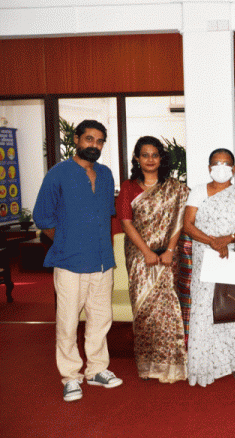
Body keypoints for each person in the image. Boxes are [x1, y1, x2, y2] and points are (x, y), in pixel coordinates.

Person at [33, 119, 123, 402]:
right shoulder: (58, 173)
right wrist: (65, 241)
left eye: (99, 141)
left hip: (102, 261)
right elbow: (43, 217)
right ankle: (71, 376)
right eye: (89, 139)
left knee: (101, 319)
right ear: (76, 139)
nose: (94, 145)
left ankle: (97, 369)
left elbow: (106, 215)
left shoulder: (106, 174)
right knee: (68, 321)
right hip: (70, 262)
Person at [182, 148, 235, 387]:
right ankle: (202, 364)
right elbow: (188, 225)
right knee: (204, 309)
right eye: (217, 163)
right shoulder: (198, 192)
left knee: (232, 307)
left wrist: (228, 239)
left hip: (232, 256)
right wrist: (213, 241)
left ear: (233, 169)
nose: (221, 168)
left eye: (226, 164)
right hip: (205, 256)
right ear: (209, 168)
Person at [117, 136, 189, 383]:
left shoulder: (175, 188)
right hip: (139, 255)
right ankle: (148, 364)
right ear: (137, 158)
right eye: (145, 155)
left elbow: (179, 221)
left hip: (168, 255)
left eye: (155, 155)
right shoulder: (128, 187)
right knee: (144, 309)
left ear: (161, 158)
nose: (150, 159)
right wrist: (146, 252)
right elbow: (126, 222)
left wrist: (169, 250)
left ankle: (170, 364)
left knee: (169, 309)